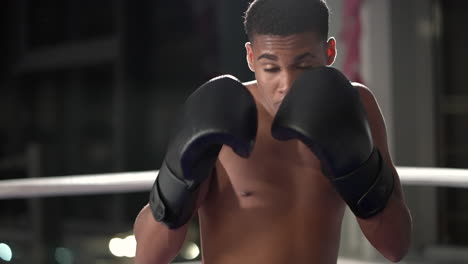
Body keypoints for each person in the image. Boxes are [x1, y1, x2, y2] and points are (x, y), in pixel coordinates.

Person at [133, 0, 413, 263]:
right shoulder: (221, 111)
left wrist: (358, 170)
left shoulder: (355, 106)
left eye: (304, 65)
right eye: (271, 68)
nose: (287, 85)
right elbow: (149, 257)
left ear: (329, 52)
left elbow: (395, 246)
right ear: (251, 57)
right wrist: (178, 181)